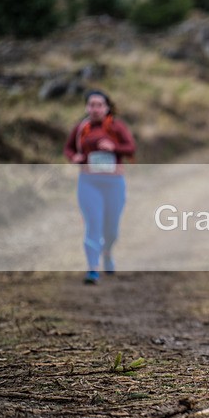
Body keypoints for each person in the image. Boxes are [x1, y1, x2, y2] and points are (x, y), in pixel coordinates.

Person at [64, 90, 136, 285]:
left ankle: (108, 252)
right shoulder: (81, 128)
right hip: (89, 183)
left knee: (111, 229)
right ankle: (92, 269)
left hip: (114, 184)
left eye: (99, 105)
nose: (95, 109)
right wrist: (74, 157)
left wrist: (114, 148)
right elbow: (69, 148)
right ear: (87, 107)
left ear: (106, 107)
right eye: (91, 105)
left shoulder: (116, 127)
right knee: (93, 223)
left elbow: (131, 149)